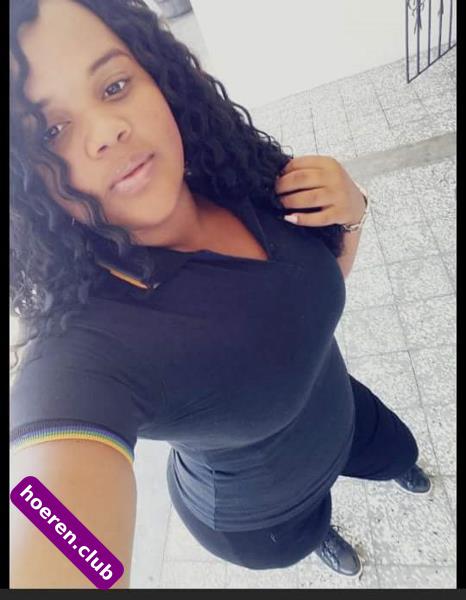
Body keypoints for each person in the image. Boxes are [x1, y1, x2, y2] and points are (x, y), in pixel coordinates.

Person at [9, 0, 432, 589]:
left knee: (398, 453)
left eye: (114, 85)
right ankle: (320, 536)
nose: (107, 131)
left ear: (158, 76)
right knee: (308, 530)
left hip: (344, 409)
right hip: (263, 516)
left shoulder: (237, 172)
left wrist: (351, 215)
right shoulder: (84, 354)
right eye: (51, 131)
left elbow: (315, 295)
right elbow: (50, 519)